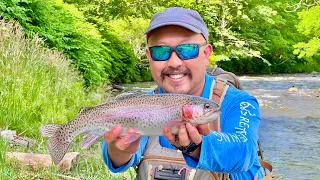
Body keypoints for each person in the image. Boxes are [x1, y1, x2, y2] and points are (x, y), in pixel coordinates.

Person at [102, 7, 264, 179]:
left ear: (206, 53)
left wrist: (195, 146)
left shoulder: (238, 102)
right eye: (160, 51)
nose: (173, 62)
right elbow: (117, 161)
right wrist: (119, 149)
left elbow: (243, 154)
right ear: (149, 57)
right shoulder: (142, 105)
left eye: (187, 49)